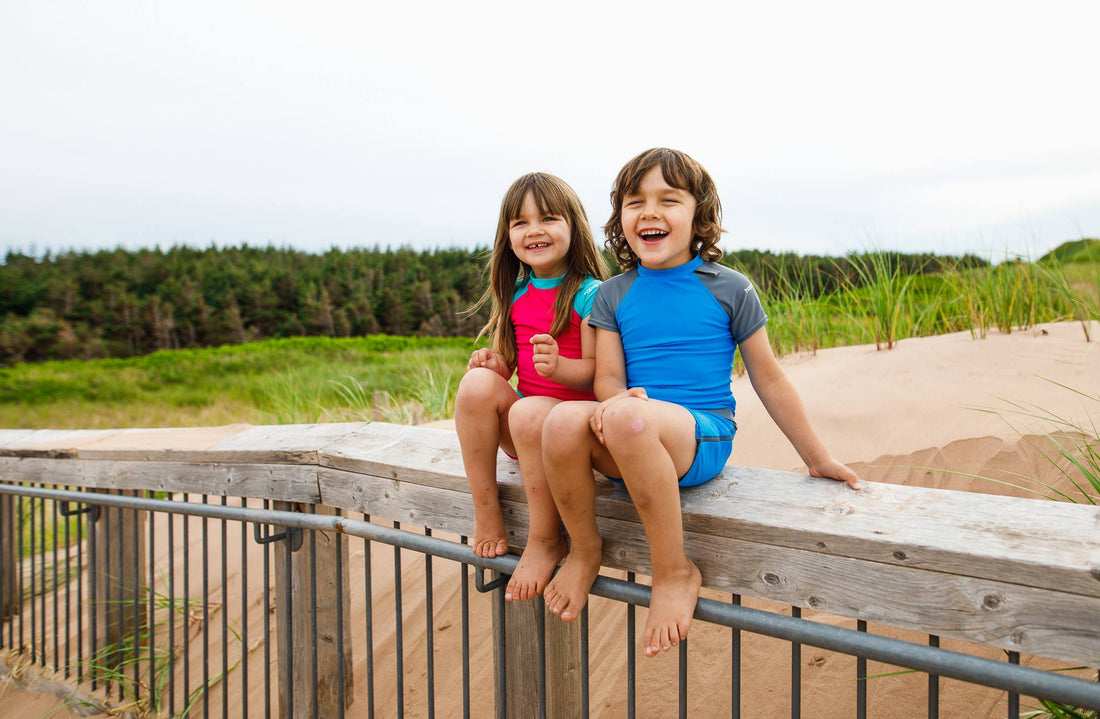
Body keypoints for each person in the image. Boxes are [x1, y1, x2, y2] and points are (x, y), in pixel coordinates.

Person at [540, 148, 862, 657]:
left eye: (668, 200)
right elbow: (609, 378)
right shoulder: (613, 293)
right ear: (620, 218)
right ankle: (583, 549)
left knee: (629, 419)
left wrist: (817, 457)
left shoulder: (730, 287)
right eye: (635, 202)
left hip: (700, 437)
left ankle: (674, 571)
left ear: (699, 215)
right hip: (630, 433)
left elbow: (769, 378)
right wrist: (618, 400)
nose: (649, 212)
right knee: (560, 421)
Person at [455, 172, 609, 602]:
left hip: (573, 436)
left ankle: (546, 538)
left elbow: (601, 374)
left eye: (548, 218)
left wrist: (560, 369)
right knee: (475, 385)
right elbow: (509, 362)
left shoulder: (590, 294)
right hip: (524, 431)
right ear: (507, 237)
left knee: (529, 411)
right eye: (520, 222)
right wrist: (493, 365)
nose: (534, 230)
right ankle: (486, 509)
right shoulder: (516, 293)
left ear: (574, 227)